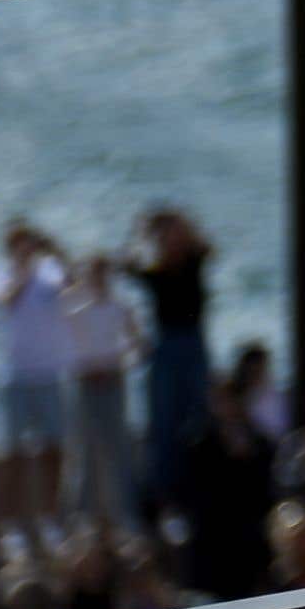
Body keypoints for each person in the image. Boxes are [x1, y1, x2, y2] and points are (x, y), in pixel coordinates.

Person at [0, 227, 71, 535]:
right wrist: (23, 269)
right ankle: (12, 524)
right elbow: (7, 300)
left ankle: (51, 519)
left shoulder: (50, 273)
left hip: (49, 374)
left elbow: (73, 285)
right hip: (16, 376)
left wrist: (56, 249)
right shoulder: (0, 275)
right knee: (13, 453)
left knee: (54, 449)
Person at [124, 205, 212, 486]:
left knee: (197, 415)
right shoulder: (155, 273)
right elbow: (126, 263)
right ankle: (164, 489)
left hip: (193, 341)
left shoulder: (193, 261)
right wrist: (142, 231)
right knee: (163, 420)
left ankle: (195, 482)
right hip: (166, 344)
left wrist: (180, 221)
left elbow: (205, 244)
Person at [63, 251, 138, 532]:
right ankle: (80, 517)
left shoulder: (120, 308)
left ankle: (124, 515)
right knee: (83, 450)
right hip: (85, 383)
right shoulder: (75, 308)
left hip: (112, 382)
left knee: (118, 449)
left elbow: (136, 344)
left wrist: (116, 364)